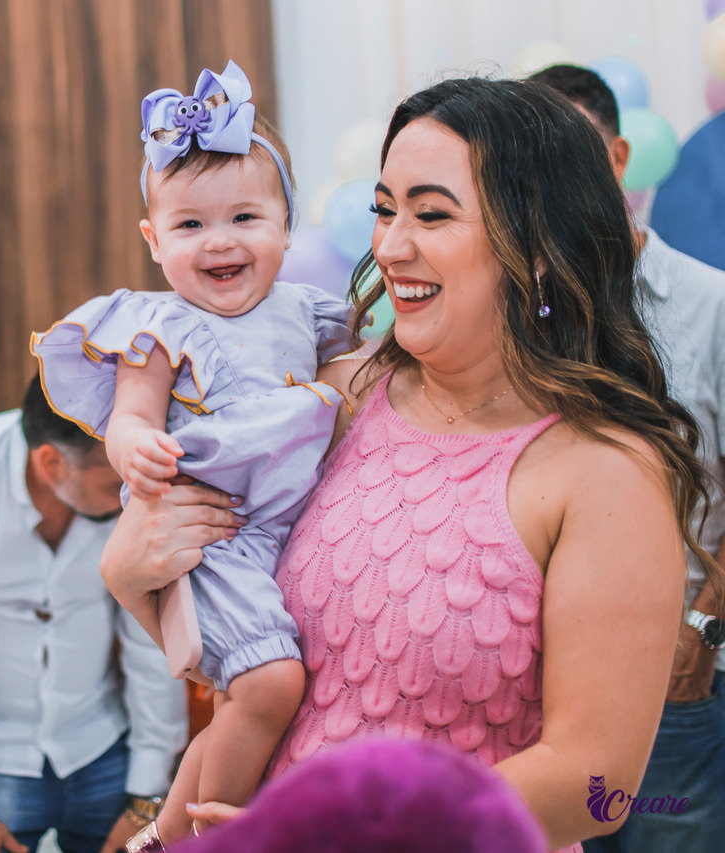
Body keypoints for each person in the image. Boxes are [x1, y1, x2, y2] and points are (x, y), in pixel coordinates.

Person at [98, 76, 724, 852]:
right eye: (385, 209)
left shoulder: (605, 472)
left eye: (431, 214)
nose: (391, 246)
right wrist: (135, 579)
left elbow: (600, 789)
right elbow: (240, 646)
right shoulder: (335, 398)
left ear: (537, 247)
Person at [31, 61, 358, 848]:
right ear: (153, 241)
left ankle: (166, 837)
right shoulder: (159, 329)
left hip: (287, 536)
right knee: (270, 685)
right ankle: (217, 834)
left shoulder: (308, 313)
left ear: (286, 222)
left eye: (245, 217)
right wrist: (137, 444)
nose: (219, 242)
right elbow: (133, 415)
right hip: (220, 540)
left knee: (252, 709)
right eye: (189, 226)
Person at [529, 63, 725, 853]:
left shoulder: (712, 305)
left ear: (616, 159)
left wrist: (702, 630)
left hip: (669, 684)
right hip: (528, 686)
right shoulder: (520, 314)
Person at [0, 376, 187, 853]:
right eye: (114, 486)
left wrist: (149, 795)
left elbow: (152, 641)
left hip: (103, 744)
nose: (133, 497)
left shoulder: (136, 483)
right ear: (50, 463)